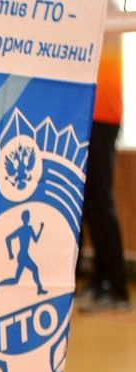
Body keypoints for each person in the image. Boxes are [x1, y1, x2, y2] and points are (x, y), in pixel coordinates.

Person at [77, 1, 129, 312]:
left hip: (102, 113)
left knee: (99, 199)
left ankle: (116, 285)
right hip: (81, 110)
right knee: (86, 203)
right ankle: (99, 279)